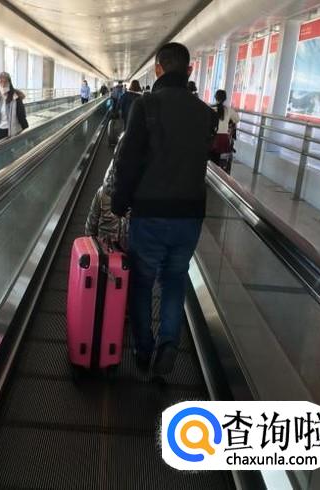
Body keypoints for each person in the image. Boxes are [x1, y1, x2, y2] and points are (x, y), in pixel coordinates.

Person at [112, 42, 217, 376]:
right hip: (190, 214)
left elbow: (128, 160)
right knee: (175, 279)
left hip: (150, 212)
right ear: (189, 70)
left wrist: (119, 202)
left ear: (158, 68)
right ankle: (169, 343)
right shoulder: (206, 113)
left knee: (142, 282)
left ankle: (143, 349)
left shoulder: (145, 106)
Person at [85, 160, 128, 251]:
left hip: (105, 248)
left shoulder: (102, 192)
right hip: (123, 249)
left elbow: (91, 223)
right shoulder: (135, 196)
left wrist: (91, 245)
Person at [210, 89, 239, 173]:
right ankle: (217, 173)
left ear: (215, 97)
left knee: (210, 157)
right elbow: (237, 119)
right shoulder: (228, 109)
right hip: (223, 138)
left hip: (211, 137)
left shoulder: (210, 108)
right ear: (225, 98)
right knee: (218, 159)